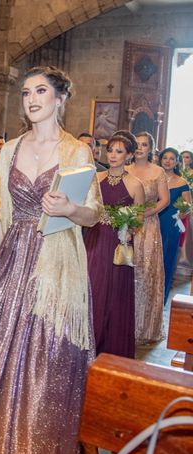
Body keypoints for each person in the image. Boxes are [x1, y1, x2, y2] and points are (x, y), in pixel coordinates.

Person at [0, 66, 102, 454]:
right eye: (26, 93)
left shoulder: (77, 152)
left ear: (60, 98)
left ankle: (36, 439)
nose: (31, 99)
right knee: (1, 345)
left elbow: (93, 214)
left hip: (56, 262)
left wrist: (70, 209)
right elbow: (1, 214)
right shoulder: (10, 149)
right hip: (15, 255)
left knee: (45, 350)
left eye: (40, 91)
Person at [83, 131, 144, 358]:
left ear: (129, 155)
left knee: (114, 296)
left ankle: (110, 347)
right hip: (95, 238)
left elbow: (138, 217)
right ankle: (86, 344)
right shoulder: (96, 179)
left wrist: (128, 230)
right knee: (92, 289)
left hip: (118, 246)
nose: (113, 155)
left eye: (119, 151)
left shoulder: (135, 184)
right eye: (110, 150)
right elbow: (87, 209)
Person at [126, 131, 169, 344]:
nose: (140, 148)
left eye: (144, 144)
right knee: (126, 272)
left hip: (148, 226)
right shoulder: (125, 170)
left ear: (150, 148)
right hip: (126, 227)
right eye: (137, 144)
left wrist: (143, 214)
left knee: (146, 274)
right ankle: (123, 324)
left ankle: (144, 328)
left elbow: (164, 200)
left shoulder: (158, 171)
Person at [158, 147, 190, 302]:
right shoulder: (154, 179)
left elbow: (188, 206)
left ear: (177, 161)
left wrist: (181, 214)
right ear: (161, 159)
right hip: (153, 222)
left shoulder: (182, 182)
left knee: (166, 261)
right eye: (165, 157)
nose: (168, 161)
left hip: (171, 224)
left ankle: (161, 297)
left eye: (172, 158)